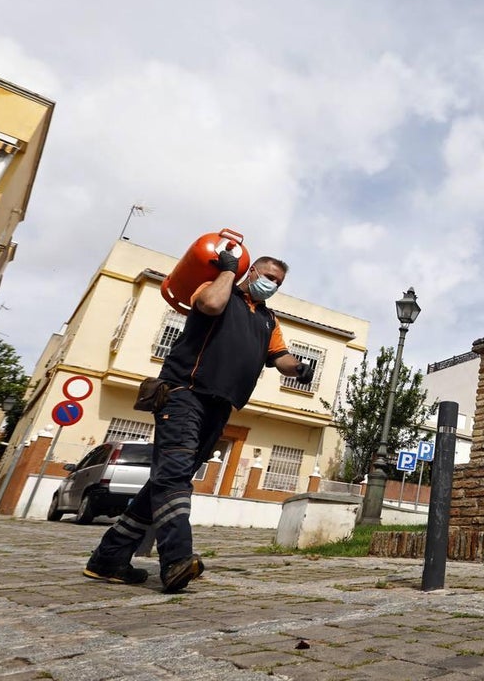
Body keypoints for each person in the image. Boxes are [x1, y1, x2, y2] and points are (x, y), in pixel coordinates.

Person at [83, 252, 314, 592]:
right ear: (250, 272)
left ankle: (108, 559)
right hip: (184, 394)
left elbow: (280, 358)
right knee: (174, 473)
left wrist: (300, 368)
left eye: (278, 282)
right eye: (267, 276)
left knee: (163, 482)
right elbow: (209, 305)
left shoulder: (268, 321)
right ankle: (176, 559)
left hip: (221, 406)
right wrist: (227, 272)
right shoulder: (217, 289)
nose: (272, 284)